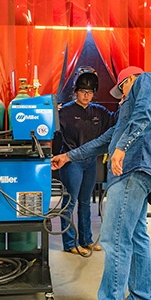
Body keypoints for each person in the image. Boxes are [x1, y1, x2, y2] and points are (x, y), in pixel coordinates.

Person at [51, 66, 151, 300]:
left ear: (131, 79)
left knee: (114, 239)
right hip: (136, 173)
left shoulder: (143, 80)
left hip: (130, 172)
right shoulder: (123, 115)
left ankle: (111, 297)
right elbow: (104, 139)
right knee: (137, 236)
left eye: (123, 89)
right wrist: (68, 156)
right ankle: (141, 295)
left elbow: (143, 114)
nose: (122, 96)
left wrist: (121, 148)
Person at [57, 66, 118, 254]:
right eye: (83, 92)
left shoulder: (99, 112)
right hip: (71, 162)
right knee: (70, 202)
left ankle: (86, 240)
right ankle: (69, 244)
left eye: (90, 92)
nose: (86, 95)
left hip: (91, 162)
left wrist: (125, 102)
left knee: (85, 203)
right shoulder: (64, 111)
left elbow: (116, 120)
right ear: (76, 92)